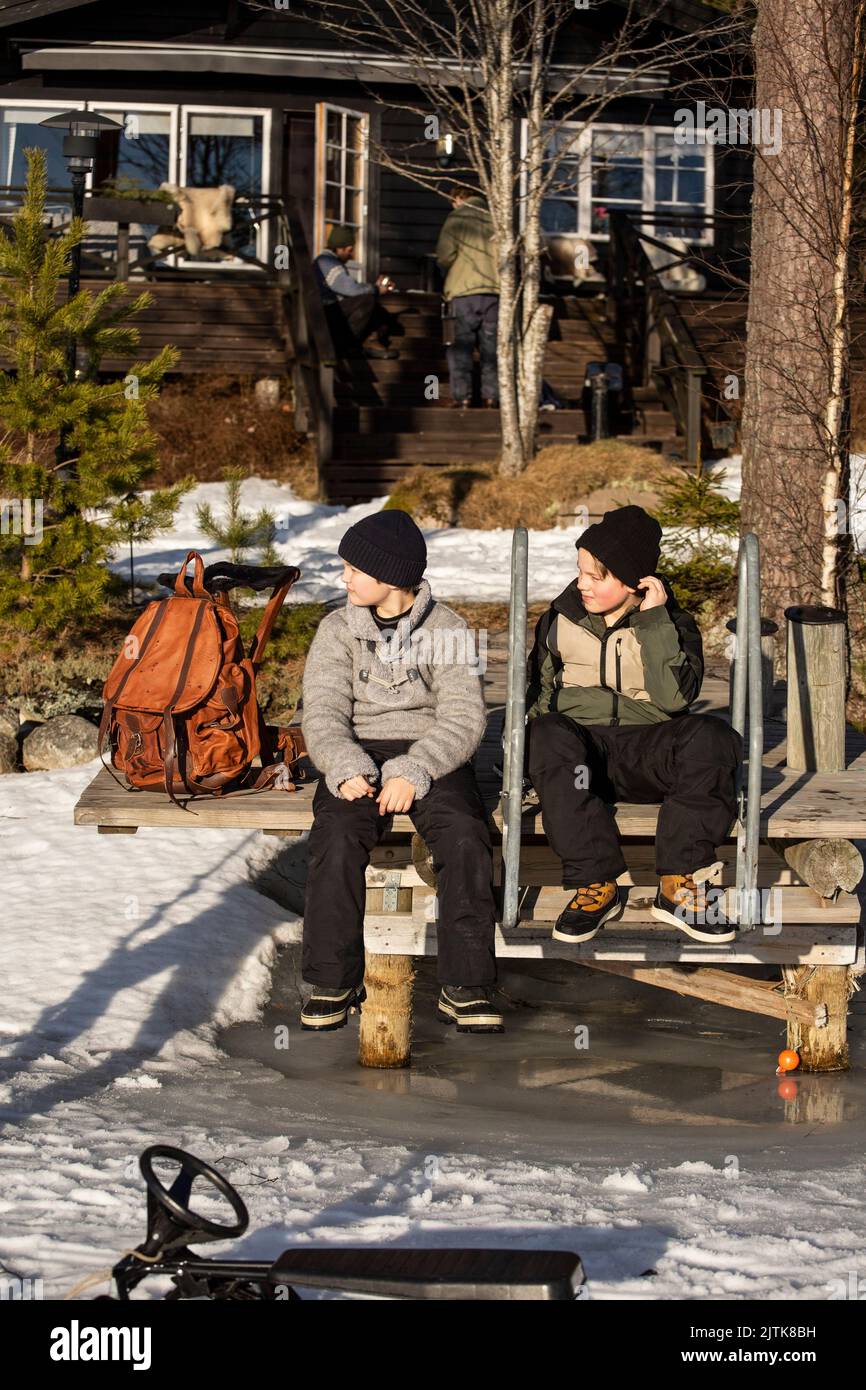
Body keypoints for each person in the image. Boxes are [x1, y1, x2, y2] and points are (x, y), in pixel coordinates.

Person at [300, 508, 502, 1034]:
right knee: (337, 834)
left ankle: (467, 986)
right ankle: (330, 979)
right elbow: (321, 711)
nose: (342, 579)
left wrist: (416, 769)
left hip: (432, 750)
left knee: (464, 835)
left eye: (352, 570)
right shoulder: (337, 629)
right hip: (357, 748)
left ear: (387, 576)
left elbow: (463, 717)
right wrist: (343, 766)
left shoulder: (448, 629)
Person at [524, 505, 743, 945]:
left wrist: (654, 622)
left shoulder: (672, 623)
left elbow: (675, 698)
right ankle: (598, 883)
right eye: (580, 571)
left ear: (635, 582)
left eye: (596, 576)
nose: (581, 583)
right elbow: (538, 694)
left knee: (713, 736)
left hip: (649, 753)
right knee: (546, 733)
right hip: (581, 758)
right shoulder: (558, 619)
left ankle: (678, 883)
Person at [435, 187, 499, 408]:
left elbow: (444, 256)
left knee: (460, 349)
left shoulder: (456, 218)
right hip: (494, 293)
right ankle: (492, 398)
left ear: (459, 199)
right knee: (491, 350)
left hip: (462, 293)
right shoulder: (497, 219)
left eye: (453, 202)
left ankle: (463, 397)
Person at [314, 223, 400, 360]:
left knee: (374, 305)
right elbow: (351, 290)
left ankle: (370, 342)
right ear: (340, 248)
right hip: (326, 313)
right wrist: (376, 289)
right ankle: (346, 345)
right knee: (366, 301)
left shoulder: (329, 262)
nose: (351, 255)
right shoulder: (327, 262)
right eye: (349, 250)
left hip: (329, 311)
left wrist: (375, 289)